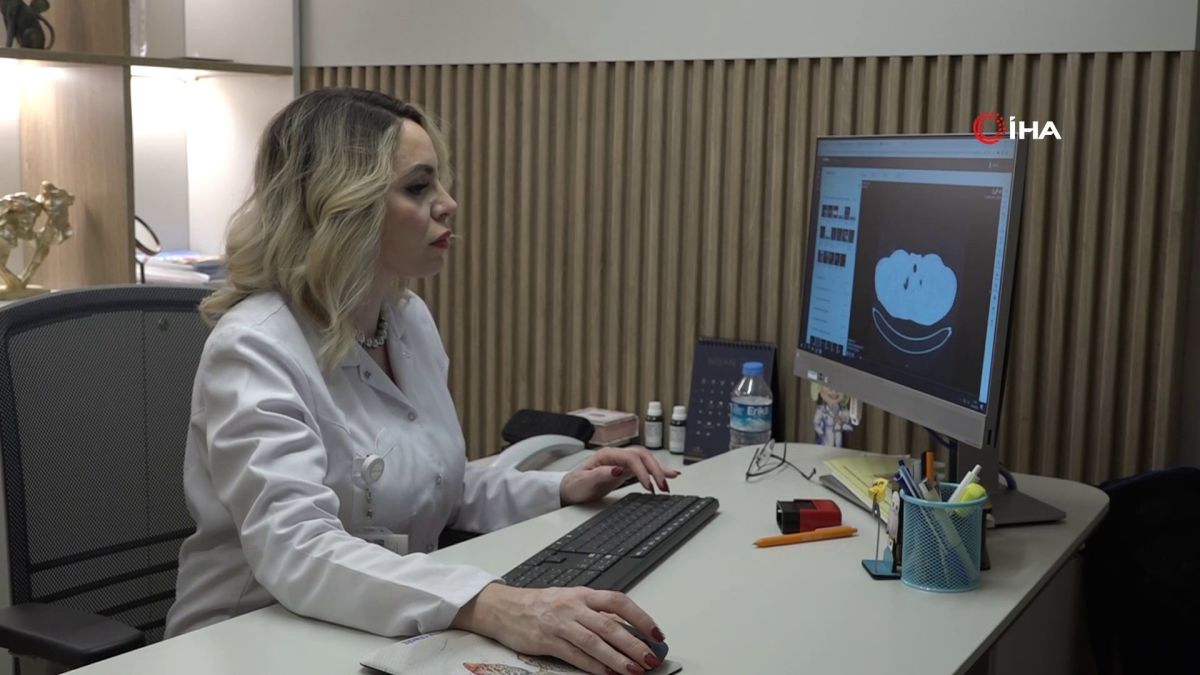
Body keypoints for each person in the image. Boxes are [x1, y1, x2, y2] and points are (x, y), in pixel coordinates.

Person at [165, 88, 679, 675]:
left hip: (371, 633)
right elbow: (297, 549)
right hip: (248, 642)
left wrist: (559, 489)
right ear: (340, 205)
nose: (448, 204)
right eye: (417, 187)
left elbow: (437, 486)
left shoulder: (405, 319)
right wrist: (494, 605)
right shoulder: (255, 345)